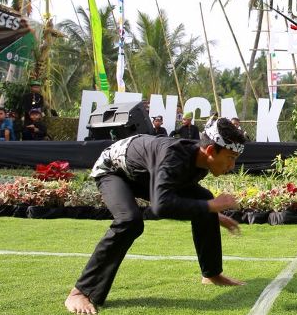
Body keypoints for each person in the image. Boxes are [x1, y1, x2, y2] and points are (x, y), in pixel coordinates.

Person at [64, 117, 246, 315]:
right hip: (113, 170)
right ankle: (80, 292)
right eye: (230, 157)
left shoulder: (199, 160)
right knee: (129, 221)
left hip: (143, 174)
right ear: (211, 150)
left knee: (204, 198)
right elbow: (162, 206)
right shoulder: (174, 156)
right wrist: (209, 207)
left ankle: (212, 274)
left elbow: (176, 192)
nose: (232, 165)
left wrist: (212, 213)